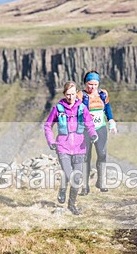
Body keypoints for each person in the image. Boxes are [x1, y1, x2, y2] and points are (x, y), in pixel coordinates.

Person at [43, 81, 98, 214]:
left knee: (77, 179)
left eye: (73, 94)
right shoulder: (58, 109)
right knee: (69, 174)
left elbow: (89, 125)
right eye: (68, 94)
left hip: (80, 147)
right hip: (63, 147)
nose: (71, 97)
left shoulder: (82, 108)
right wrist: (51, 141)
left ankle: (71, 205)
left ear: (76, 93)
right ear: (64, 94)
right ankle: (62, 188)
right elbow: (47, 126)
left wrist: (93, 135)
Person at [80, 70, 117, 194]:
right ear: (85, 83)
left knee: (102, 154)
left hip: (100, 128)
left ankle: (101, 182)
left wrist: (111, 121)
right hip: (85, 130)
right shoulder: (81, 95)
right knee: (86, 157)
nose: (93, 87)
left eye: (95, 84)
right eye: (90, 84)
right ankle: (85, 186)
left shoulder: (103, 94)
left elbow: (107, 108)